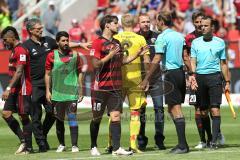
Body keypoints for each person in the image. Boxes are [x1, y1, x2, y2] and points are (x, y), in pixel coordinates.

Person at [23, 18, 91, 152]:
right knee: (35, 116)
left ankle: (43, 134)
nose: (41, 29)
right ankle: (41, 143)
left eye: (41, 27)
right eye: (38, 28)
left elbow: (64, 44)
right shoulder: (26, 46)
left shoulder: (48, 40)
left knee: (53, 115)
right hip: (36, 85)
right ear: (31, 31)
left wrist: (80, 45)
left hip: (52, 85)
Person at [90, 15, 148, 156]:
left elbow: (122, 61)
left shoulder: (117, 43)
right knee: (96, 118)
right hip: (101, 87)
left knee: (116, 116)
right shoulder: (97, 43)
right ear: (107, 25)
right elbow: (95, 64)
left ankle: (116, 148)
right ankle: (93, 146)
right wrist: (110, 55)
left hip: (116, 86)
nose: (118, 25)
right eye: (115, 23)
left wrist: (136, 55)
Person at [140, 11, 193, 154]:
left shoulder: (162, 37)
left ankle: (183, 145)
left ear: (162, 22)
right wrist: (191, 73)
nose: (155, 23)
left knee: (175, 109)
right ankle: (182, 144)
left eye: (157, 21)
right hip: (180, 73)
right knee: (172, 108)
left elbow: (156, 59)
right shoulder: (179, 35)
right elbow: (186, 57)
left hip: (170, 74)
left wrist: (146, 79)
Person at [190, 15, 230, 149]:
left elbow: (223, 63)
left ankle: (214, 140)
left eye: (205, 25)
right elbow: (193, 61)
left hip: (214, 77)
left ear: (212, 27)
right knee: (202, 112)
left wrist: (227, 81)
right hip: (200, 77)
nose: (202, 28)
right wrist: (192, 76)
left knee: (215, 109)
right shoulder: (195, 42)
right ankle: (208, 138)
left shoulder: (220, 42)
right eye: (201, 26)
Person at [112, 13, 150, 153]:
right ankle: (133, 145)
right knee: (135, 112)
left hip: (117, 79)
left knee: (114, 112)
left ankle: (112, 144)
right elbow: (146, 61)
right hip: (135, 80)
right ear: (135, 24)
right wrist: (146, 79)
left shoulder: (114, 38)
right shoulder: (140, 38)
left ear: (121, 24)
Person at [45, 31, 84, 153]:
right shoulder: (51, 55)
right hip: (57, 93)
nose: (66, 43)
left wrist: (80, 87)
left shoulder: (76, 55)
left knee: (72, 117)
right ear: (57, 42)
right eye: (63, 40)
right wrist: (48, 91)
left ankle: (74, 145)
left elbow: (80, 72)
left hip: (71, 92)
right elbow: (47, 74)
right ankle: (62, 144)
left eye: (67, 40)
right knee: (59, 120)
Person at [1, 26, 32, 154]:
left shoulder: (21, 50)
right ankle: (24, 140)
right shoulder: (14, 50)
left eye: (5, 40)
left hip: (23, 88)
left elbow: (19, 71)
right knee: (6, 113)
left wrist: (8, 88)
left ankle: (28, 147)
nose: (4, 43)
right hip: (14, 88)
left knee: (23, 116)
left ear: (12, 37)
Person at [136, 13, 165, 150]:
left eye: (148, 21)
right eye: (143, 22)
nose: (146, 24)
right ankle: (141, 139)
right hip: (140, 80)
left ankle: (159, 139)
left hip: (156, 79)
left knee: (159, 109)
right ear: (138, 24)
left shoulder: (157, 37)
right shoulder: (134, 38)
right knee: (140, 111)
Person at [185, 12, 213, 149]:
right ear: (193, 22)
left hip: (208, 76)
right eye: (196, 22)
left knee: (210, 108)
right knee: (197, 109)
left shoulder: (211, 38)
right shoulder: (189, 38)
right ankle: (202, 140)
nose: (199, 25)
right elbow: (185, 57)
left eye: (201, 22)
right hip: (193, 77)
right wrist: (189, 75)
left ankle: (213, 136)